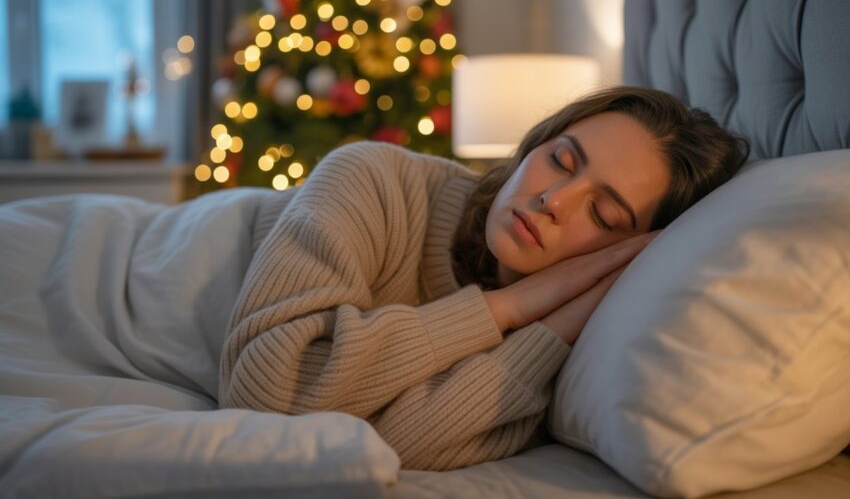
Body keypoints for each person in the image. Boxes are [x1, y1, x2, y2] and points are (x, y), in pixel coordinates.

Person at [218, 85, 750, 471]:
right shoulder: (374, 179)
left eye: (604, 216)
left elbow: (392, 445)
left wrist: (545, 333)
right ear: (532, 146)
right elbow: (265, 393)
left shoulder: (580, 344)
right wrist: (507, 307)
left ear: (627, 254)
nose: (553, 200)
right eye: (560, 160)